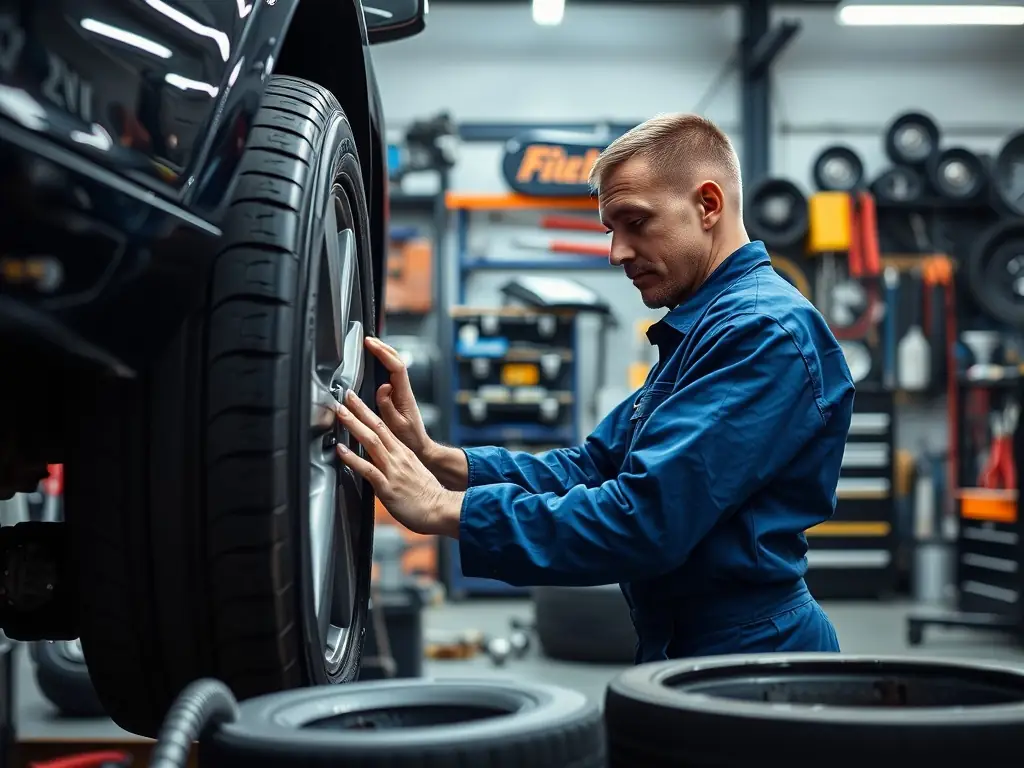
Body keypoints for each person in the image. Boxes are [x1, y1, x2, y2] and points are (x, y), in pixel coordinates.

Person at [335, 113, 854, 663]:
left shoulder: (760, 333)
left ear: (708, 205)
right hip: (688, 640)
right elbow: (591, 468)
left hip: (753, 658)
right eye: (611, 230)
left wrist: (445, 509)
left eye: (635, 222)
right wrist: (441, 460)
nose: (617, 253)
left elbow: (645, 520)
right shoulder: (704, 328)